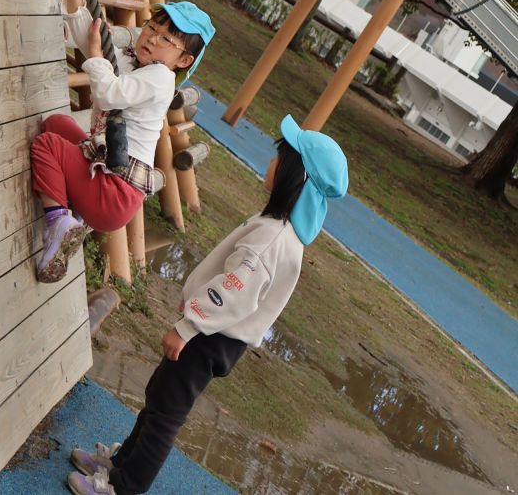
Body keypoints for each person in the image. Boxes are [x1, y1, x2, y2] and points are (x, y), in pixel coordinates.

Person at [66, 114, 349, 495]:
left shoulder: (273, 239)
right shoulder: (279, 230)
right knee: (159, 398)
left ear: (294, 178)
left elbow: (233, 293)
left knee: (165, 414)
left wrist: (188, 328)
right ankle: (121, 464)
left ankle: (124, 486)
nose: (271, 163)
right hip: (214, 334)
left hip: (210, 336)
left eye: (279, 159)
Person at [31, 0, 215, 283]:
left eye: (166, 39)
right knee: (56, 125)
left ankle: (59, 222)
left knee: (47, 145)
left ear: (183, 60)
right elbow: (88, 38)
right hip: (105, 173)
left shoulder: (159, 78)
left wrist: (98, 57)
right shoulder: (134, 62)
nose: (152, 38)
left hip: (115, 193)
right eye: (151, 27)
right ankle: (74, 211)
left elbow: (107, 93)